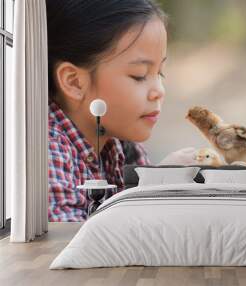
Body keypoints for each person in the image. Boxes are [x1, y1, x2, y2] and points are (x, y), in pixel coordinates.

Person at [47, 0, 196, 222]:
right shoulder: (46, 152)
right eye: (139, 75)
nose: (159, 91)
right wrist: (158, 184)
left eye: (160, 73)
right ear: (75, 82)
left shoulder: (124, 148)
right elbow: (71, 246)